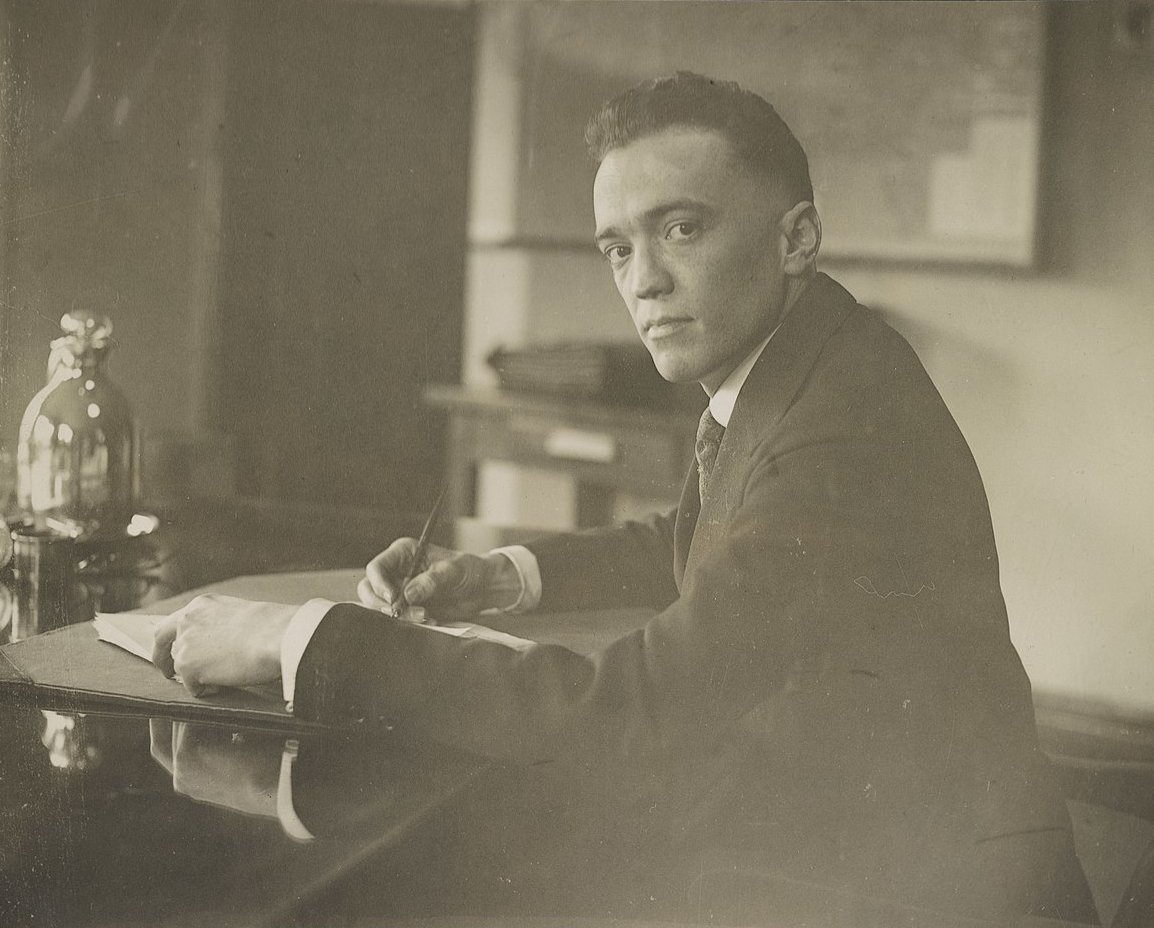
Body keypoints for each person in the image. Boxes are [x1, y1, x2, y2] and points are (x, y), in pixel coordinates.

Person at [154, 73, 1097, 923]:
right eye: (617, 248)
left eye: (682, 230)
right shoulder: (808, 359)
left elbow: (627, 713)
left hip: (908, 892)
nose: (643, 282)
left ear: (796, 239)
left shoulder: (842, 429)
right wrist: (500, 577)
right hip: (864, 841)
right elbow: (695, 540)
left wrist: (300, 639)